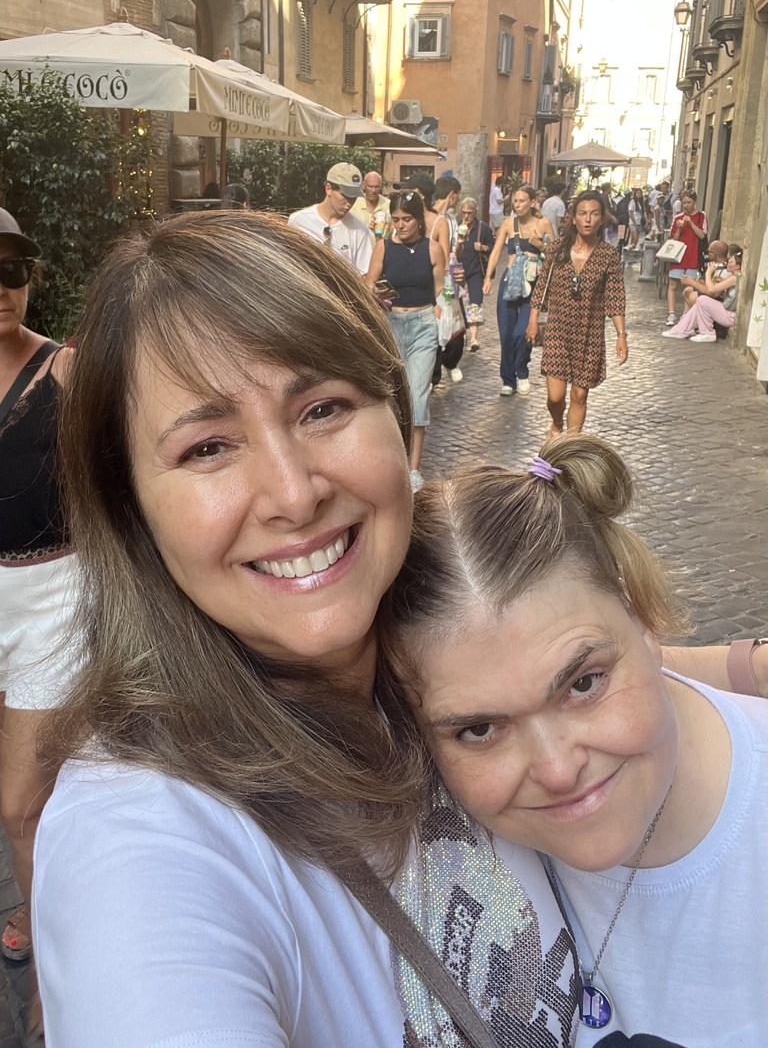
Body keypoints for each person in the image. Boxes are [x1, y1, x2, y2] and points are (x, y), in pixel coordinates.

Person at [32, 210, 761, 1047]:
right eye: (207, 449)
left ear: (397, 415)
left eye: (323, 408)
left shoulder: (399, 649)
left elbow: (582, 665)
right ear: (129, 509)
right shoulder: (140, 839)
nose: (293, 493)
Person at [383, 434, 768, 1048]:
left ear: (642, 619)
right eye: (479, 729)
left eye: (584, 684)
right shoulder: (434, 837)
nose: (558, 770)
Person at [0, 209, 77, 1036]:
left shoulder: (66, 371)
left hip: (55, 597)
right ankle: (27, 900)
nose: (3, 287)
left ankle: (56, 980)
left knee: (24, 804)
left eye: (15, 270)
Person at [527, 189, 627, 440]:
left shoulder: (608, 255)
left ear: (601, 218)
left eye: (594, 214)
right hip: (558, 331)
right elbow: (542, 286)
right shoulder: (558, 249)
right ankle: (557, 422)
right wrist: (533, 321)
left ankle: (570, 445)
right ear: (573, 217)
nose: (588, 219)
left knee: (580, 395)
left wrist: (621, 334)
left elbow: (615, 297)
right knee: (555, 396)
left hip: (589, 335)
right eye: (582, 214)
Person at [366, 191, 444, 481]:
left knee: (418, 396)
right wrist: (377, 292)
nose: (400, 225)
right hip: (393, 322)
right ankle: (394, 458)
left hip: (424, 323)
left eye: (406, 219)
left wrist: (440, 313)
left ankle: (413, 470)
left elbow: (440, 292)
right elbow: (369, 284)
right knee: (394, 393)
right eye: (396, 219)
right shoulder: (383, 247)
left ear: (418, 220)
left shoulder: (432, 249)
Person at [484, 185, 555, 398]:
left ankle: (522, 371)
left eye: (522, 200)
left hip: (533, 284)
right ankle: (508, 379)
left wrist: (540, 246)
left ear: (533, 202)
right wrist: (488, 277)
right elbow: (496, 252)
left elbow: (556, 255)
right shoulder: (508, 224)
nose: (517, 204)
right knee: (506, 334)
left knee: (523, 332)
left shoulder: (543, 224)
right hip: (509, 281)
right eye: (515, 201)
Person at [288, 162, 372, 275]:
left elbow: (363, 274)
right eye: (345, 196)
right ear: (329, 188)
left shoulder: (360, 230)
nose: (349, 203)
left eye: (354, 197)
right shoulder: (299, 221)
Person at [662, 243, 742, 342]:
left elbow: (712, 290)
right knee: (699, 303)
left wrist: (708, 272)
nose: (728, 262)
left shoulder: (734, 278)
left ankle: (707, 333)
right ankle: (680, 330)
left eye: (731, 261)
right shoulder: (733, 277)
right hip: (726, 310)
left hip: (729, 315)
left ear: (737, 266)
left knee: (702, 300)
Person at [431, 177, 465, 385]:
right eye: (457, 196)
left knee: (456, 323)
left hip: (451, 278)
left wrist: (460, 244)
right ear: (452, 194)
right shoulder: (430, 218)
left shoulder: (453, 220)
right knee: (435, 324)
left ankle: (450, 361)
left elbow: (454, 251)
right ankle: (435, 374)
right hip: (435, 277)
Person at [455, 197, 494, 351]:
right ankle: (462, 333)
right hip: (458, 270)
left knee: (475, 302)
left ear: (475, 213)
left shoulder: (482, 228)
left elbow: (493, 247)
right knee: (459, 303)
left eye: (469, 213)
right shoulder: (457, 226)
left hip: (476, 270)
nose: (466, 216)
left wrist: (484, 247)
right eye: (464, 212)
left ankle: (474, 338)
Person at [666, 190, 708, 326]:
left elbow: (702, 235)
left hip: (693, 255)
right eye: (684, 203)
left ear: (694, 202)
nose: (686, 205)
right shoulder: (678, 217)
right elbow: (673, 239)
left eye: (689, 202)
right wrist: (679, 229)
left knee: (689, 286)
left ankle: (686, 314)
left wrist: (691, 223)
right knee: (673, 284)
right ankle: (671, 314)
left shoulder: (702, 216)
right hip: (678, 256)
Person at [681, 239, 729, 309]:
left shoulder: (725, 271)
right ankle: (691, 315)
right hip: (713, 295)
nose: (707, 254)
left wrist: (693, 282)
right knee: (687, 291)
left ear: (713, 254)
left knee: (694, 297)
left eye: (708, 251)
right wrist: (698, 281)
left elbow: (713, 293)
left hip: (721, 300)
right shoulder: (716, 265)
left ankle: (700, 317)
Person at [349, 171, 391, 243]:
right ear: (363, 186)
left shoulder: (389, 205)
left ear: (381, 186)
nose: (373, 190)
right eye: (370, 186)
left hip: (382, 252)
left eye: (377, 187)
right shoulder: (354, 204)